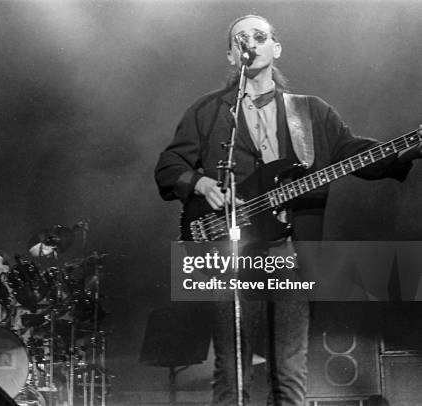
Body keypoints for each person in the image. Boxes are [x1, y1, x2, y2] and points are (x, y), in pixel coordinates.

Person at [154, 14, 421, 405]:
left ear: (275, 48)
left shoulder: (310, 112)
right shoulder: (208, 112)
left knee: (290, 369)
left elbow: (353, 154)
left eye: (259, 36)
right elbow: (168, 166)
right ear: (232, 55)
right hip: (228, 249)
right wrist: (201, 183)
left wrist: (405, 150)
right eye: (240, 38)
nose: (250, 42)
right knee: (231, 369)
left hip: (287, 252)